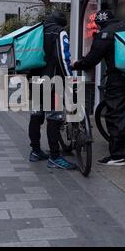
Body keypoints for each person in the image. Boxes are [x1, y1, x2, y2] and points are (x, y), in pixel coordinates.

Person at [72, 3, 125, 166]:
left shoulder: (105, 34)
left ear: (100, 23)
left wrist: (76, 64)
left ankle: (118, 155)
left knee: (116, 115)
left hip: (118, 79)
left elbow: (91, 60)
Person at [28, 11, 77, 170]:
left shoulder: (38, 30)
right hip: (53, 81)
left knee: (36, 115)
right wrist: (69, 78)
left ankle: (35, 151)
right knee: (54, 118)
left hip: (36, 80)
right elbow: (63, 58)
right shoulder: (59, 32)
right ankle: (55, 157)